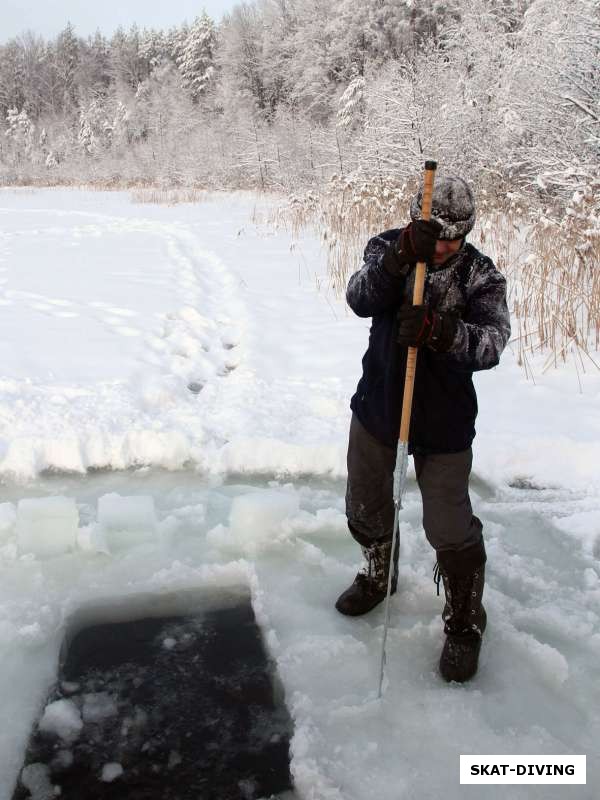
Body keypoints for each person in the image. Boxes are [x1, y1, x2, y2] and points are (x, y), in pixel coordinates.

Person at [336, 175, 511, 682]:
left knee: (449, 528)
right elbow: (358, 298)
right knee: (366, 504)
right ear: (418, 223)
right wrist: (396, 262)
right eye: (434, 236)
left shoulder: (481, 275)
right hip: (380, 404)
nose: (442, 248)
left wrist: (441, 331)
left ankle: (464, 622)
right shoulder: (388, 247)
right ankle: (379, 573)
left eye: (453, 239)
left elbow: (492, 343)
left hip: (444, 421)